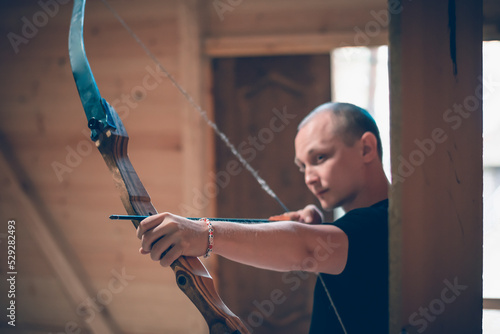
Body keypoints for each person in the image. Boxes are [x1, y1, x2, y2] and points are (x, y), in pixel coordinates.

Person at [137, 102, 390, 333]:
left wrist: (203, 234)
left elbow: (306, 249)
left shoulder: (384, 223)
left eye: (320, 158)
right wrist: (320, 230)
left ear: (366, 148)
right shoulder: (365, 229)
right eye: (303, 167)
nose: (309, 178)